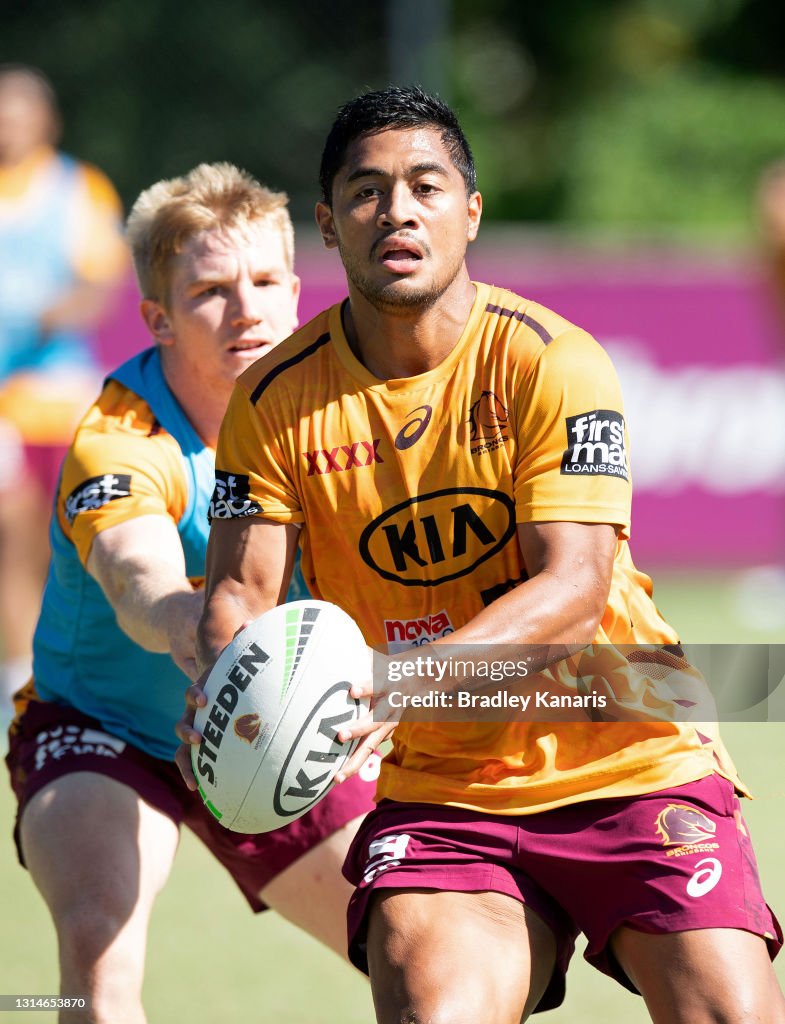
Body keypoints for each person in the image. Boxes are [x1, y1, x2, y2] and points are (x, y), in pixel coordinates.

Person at [177, 87, 784, 1023]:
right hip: (445, 787)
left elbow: (573, 592)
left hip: (633, 743)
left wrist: (395, 684)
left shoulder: (553, 359)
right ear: (329, 224)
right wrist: (235, 691)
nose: (398, 210)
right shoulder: (270, 400)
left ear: (470, 212)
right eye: (367, 191)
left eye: (425, 185)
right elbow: (238, 595)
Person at [5, 162, 377, 1024]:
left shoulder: (345, 416)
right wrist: (205, 636)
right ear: (158, 318)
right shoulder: (117, 437)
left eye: (263, 281)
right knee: (97, 947)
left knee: (415, 949)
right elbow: (142, 584)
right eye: (210, 290)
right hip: (102, 729)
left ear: (295, 291)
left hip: (275, 726)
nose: (245, 308)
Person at [0, 64, 127, 703]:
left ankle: (81, 677)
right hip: (3, 413)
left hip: (60, 397)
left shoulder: (77, 189)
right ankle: (16, 681)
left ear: (45, 120)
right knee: (12, 542)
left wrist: (48, 311)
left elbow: (96, 285)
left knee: (78, 550)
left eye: (19, 109)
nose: (8, 121)